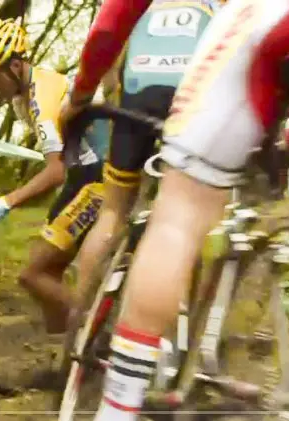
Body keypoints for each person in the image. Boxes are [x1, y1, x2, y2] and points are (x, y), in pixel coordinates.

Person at [60, 0, 289, 418]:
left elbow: (111, 24)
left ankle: (118, 406)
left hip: (266, 21)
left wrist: (81, 93)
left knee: (179, 215)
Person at [68, 0, 225, 318]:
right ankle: (180, 331)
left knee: (112, 211)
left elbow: (109, 46)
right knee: (189, 218)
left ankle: (79, 323)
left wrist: (89, 96)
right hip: (191, 94)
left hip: (138, 92)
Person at [0, 18, 117, 334]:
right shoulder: (27, 94)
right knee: (47, 272)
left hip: (99, 179)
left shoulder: (42, 98)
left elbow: (54, 172)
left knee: (33, 275)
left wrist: (4, 202)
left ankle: (93, 339)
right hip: (84, 177)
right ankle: (61, 352)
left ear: (16, 66)